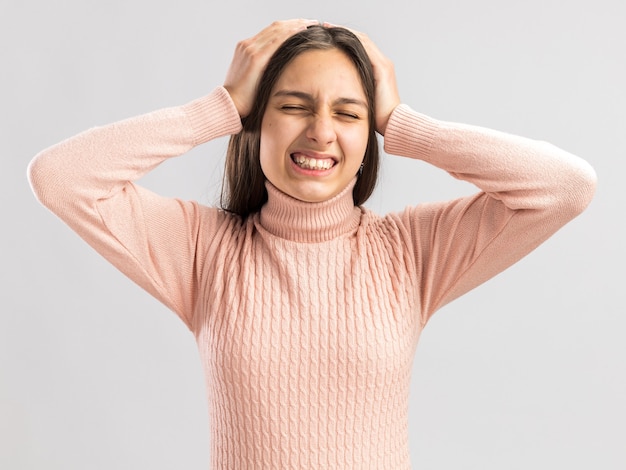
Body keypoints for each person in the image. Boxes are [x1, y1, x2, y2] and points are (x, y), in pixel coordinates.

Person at [28, 19, 596, 469]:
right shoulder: (203, 251)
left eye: (348, 113)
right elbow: (60, 177)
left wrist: (401, 121)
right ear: (257, 122)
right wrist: (219, 107)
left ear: (366, 133)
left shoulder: (412, 252)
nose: (321, 130)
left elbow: (566, 187)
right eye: (294, 106)